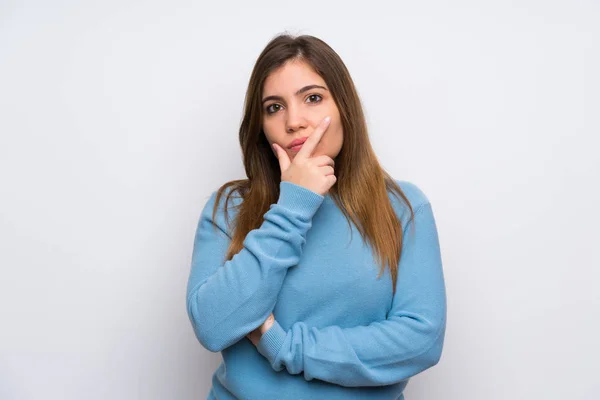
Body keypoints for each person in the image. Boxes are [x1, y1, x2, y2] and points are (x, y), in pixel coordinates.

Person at [185, 33, 447, 400]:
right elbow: (213, 326)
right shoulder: (229, 208)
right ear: (260, 125)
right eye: (274, 107)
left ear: (344, 107)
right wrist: (293, 206)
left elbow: (421, 340)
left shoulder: (402, 207)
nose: (294, 121)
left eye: (312, 98)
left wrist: (284, 346)